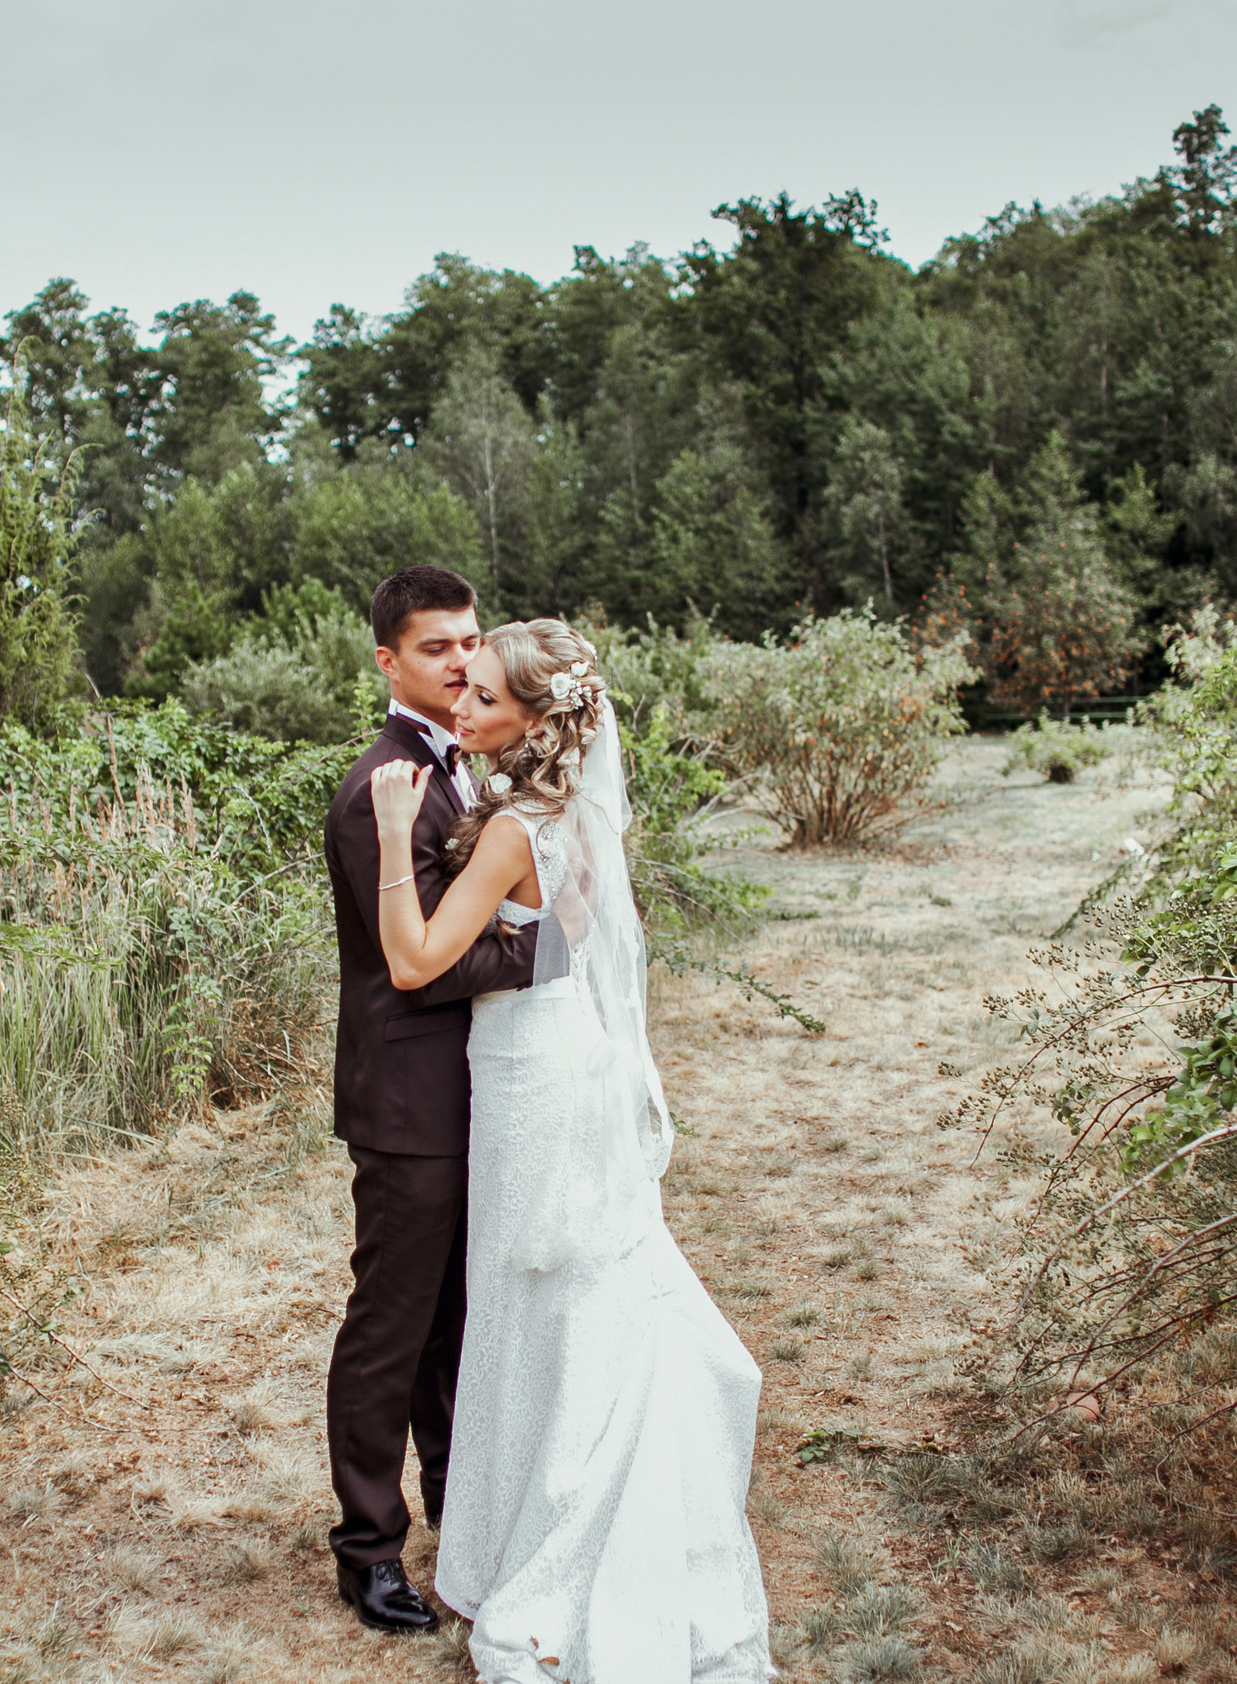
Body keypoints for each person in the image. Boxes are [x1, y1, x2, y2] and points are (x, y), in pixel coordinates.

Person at [369, 618, 772, 1683]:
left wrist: (393, 835)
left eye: (485, 697)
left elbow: (413, 961)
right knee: (572, 1293)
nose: (462, 705)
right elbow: (574, 939)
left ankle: (548, 1532)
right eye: (462, 688)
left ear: (536, 721)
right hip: (570, 1058)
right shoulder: (582, 817)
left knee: (528, 1303)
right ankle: (543, 1506)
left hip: (527, 1079)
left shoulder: (514, 827)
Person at [322, 566, 541, 1634]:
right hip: (408, 1103)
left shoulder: (464, 765)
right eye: (434, 647)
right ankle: (367, 1549)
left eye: (468, 642)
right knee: (391, 1327)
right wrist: (543, 947)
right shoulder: (383, 786)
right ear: (388, 661)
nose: (460, 662)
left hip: (472, 1089)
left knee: (457, 1319)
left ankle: (460, 1509)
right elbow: (412, 963)